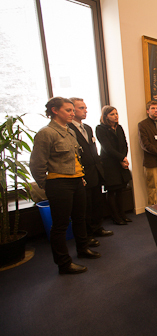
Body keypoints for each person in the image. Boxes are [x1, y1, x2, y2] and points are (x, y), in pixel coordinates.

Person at [30, 97, 100, 275]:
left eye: (72, 110)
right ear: (55, 110)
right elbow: (37, 164)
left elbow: (75, 158)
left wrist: (81, 177)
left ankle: (82, 249)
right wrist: (45, 184)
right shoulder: (46, 133)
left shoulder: (69, 131)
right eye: (68, 110)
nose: (72, 113)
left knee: (79, 218)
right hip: (58, 183)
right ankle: (63, 263)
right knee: (60, 225)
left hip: (77, 180)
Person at [68, 98, 113, 246]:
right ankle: (87, 235)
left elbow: (93, 148)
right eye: (81, 108)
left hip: (95, 170)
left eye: (85, 108)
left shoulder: (87, 128)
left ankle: (97, 227)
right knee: (85, 206)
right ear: (73, 110)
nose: (85, 110)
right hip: (82, 172)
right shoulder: (68, 129)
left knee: (96, 203)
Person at [96, 105, 132, 225]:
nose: (115, 116)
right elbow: (107, 148)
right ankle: (115, 216)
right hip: (109, 163)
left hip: (120, 162)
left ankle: (122, 214)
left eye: (116, 113)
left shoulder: (119, 127)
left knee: (121, 190)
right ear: (105, 116)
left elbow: (124, 144)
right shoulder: (100, 129)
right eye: (112, 114)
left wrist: (124, 157)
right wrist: (121, 158)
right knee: (112, 191)